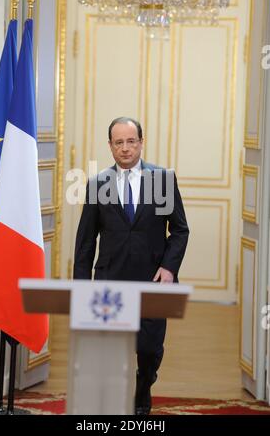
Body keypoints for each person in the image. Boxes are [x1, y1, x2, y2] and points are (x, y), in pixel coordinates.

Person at [73, 116, 189, 415]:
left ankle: (144, 384)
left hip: (152, 280)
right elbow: (86, 241)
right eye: (119, 142)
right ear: (110, 146)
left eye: (131, 141)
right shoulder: (98, 183)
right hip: (110, 281)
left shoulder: (161, 180)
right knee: (110, 350)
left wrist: (169, 268)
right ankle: (119, 400)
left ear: (141, 142)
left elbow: (179, 230)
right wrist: (81, 288)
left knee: (149, 349)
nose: (125, 148)